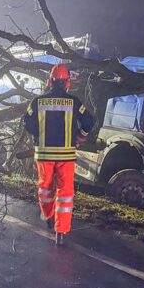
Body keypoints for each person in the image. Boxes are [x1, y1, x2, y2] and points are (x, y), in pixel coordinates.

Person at [23, 63, 94, 246]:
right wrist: (81, 137)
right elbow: (89, 121)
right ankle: (60, 231)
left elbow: (27, 122)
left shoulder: (37, 102)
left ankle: (48, 216)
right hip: (66, 156)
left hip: (44, 155)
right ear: (67, 83)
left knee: (45, 189)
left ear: (50, 81)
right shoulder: (74, 101)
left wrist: (37, 135)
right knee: (65, 193)